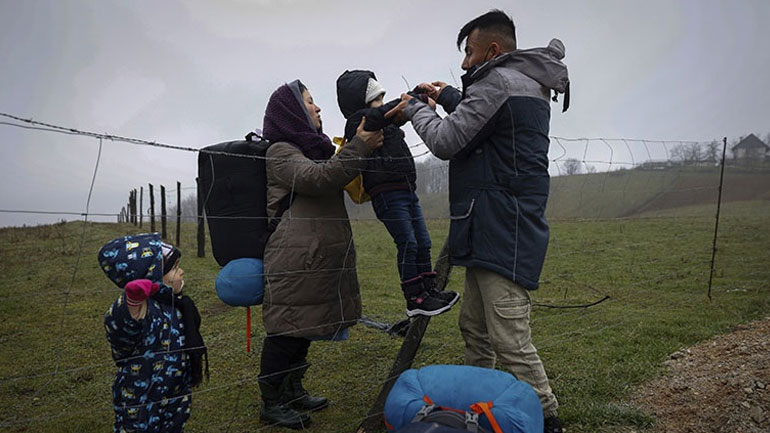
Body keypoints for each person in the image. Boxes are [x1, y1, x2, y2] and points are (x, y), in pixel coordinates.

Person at [385, 10, 570, 433]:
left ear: (492, 50)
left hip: (502, 228)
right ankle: (482, 403)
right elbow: (488, 118)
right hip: (493, 224)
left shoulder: (501, 82)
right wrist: (449, 95)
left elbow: (449, 140)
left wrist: (416, 108)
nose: (465, 63)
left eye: (469, 53)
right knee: (475, 326)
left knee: (509, 337)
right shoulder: (518, 80)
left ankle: (548, 416)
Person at [258, 79, 384, 429]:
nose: (317, 108)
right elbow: (320, 179)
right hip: (293, 257)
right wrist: (360, 145)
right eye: (309, 103)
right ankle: (271, 401)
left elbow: (331, 170)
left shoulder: (315, 148)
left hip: (310, 256)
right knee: (286, 331)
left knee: (303, 328)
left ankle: (293, 389)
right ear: (292, 113)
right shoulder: (280, 152)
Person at [336, 70, 459, 317]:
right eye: (376, 99)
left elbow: (397, 111)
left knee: (423, 241)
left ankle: (429, 291)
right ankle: (414, 298)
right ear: (361, 102)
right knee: (408, 242)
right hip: (386, 193)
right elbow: (382, 114)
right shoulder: (359, 121)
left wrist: (418, 94)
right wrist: (413, 97)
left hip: (405, 189)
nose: (382, 103)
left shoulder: (384, 117)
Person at [99, 233, 207, 433]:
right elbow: (120, 328)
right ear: (154, 277)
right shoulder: (141, 309)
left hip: (175, 390)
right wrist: (133, 300)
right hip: (141, 396)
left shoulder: (175, 304)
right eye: (174, 269)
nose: (182, 272)